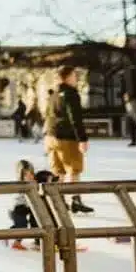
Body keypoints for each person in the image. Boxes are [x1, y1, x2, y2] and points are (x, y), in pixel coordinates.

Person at [43, 66, 93, 214]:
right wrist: (82, 139)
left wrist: (47, 136)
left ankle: (59, 202)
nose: (76, 79)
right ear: (67, 77)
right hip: (67, 138)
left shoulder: (53, 94)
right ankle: (75, 200)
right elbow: (75, 117)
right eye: (74, 76)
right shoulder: (71, 94)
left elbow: (47, 116)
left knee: (59, 172)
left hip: (51, 137)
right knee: (74, 170)